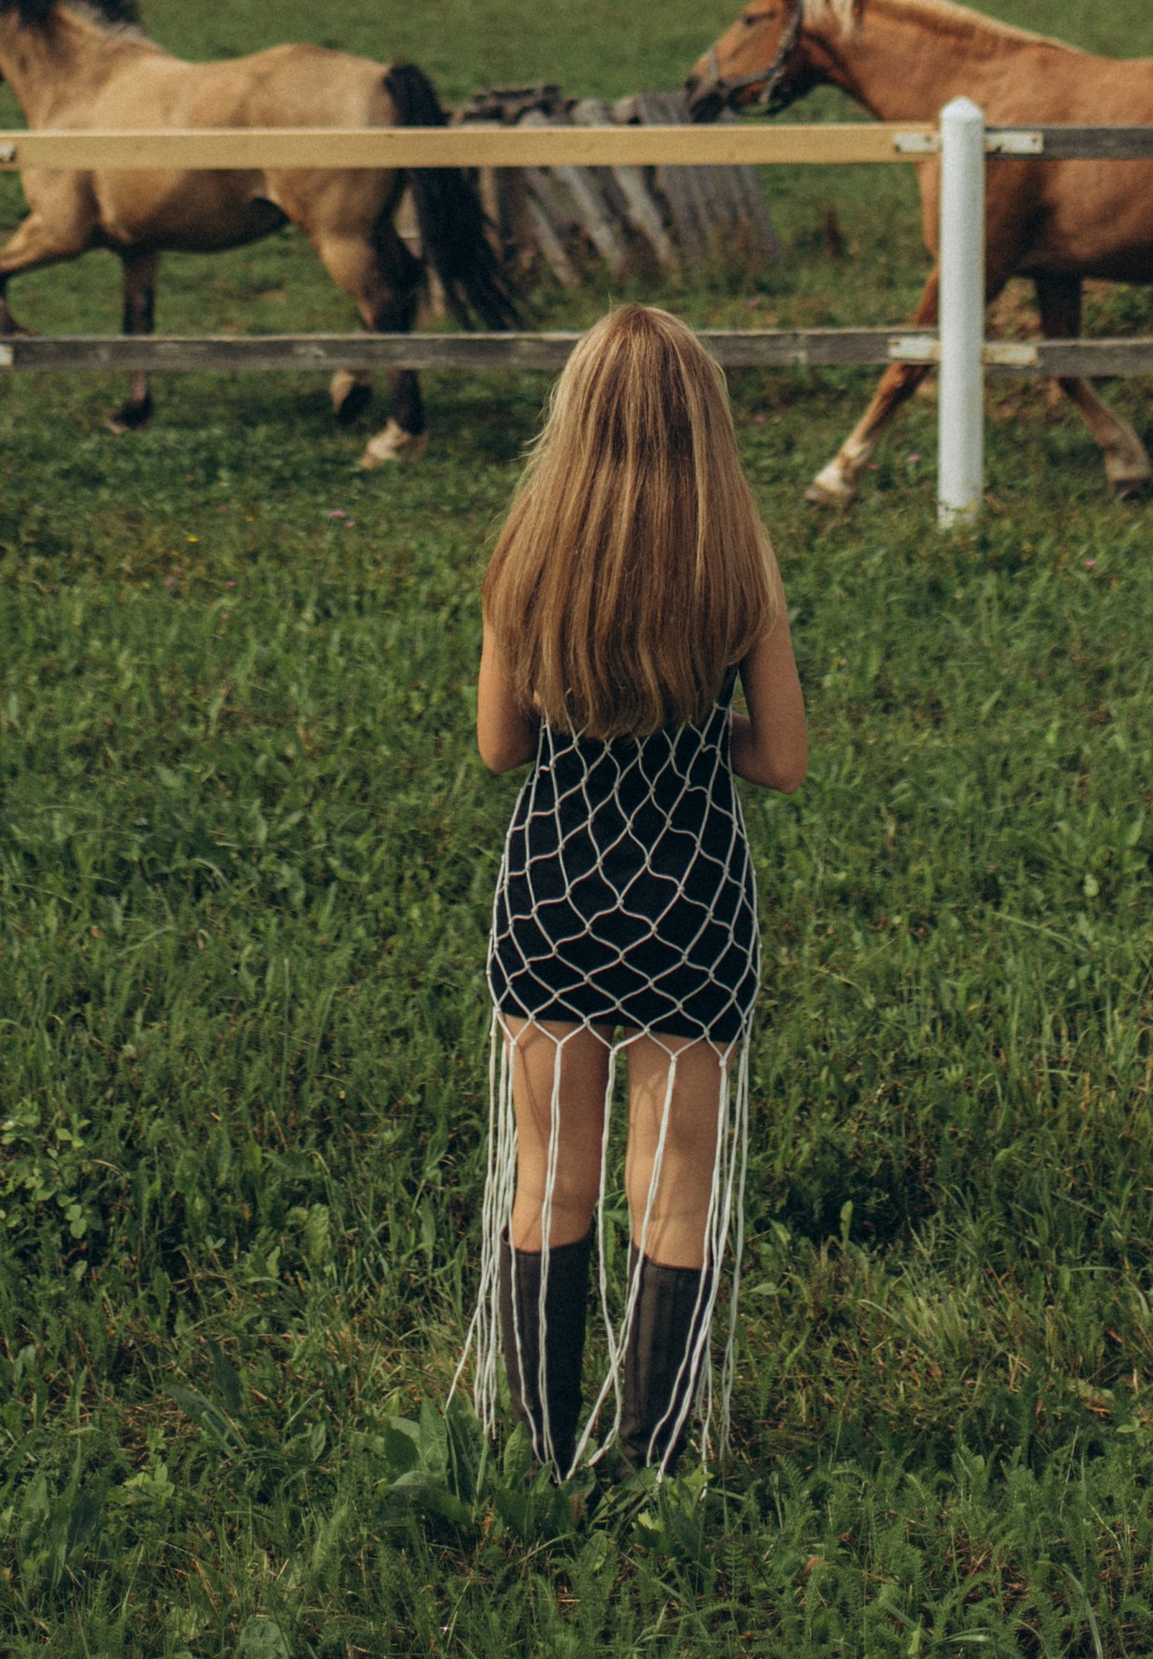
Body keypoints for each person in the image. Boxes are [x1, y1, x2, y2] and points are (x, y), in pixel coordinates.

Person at [457, 306, 809, 1479]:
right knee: (674, 1190)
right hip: (692, 898)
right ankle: (655, 1464)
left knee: (548, 1180)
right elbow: (782, 760)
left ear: (574, 413)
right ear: (704, 418)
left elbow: (499, 747)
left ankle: (547, 1455)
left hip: (556, 890)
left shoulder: (526, 554)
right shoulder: (737, 563)